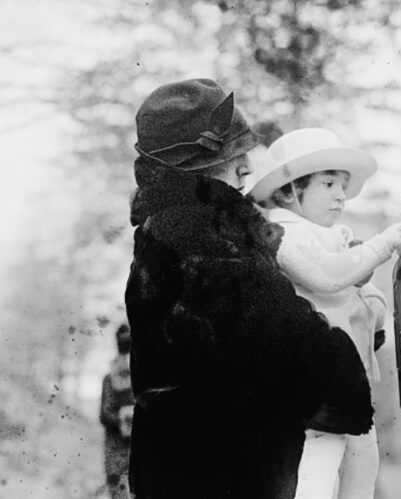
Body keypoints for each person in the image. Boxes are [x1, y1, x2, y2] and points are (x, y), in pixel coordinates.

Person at [125, 79, 375, 499]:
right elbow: (298, 352)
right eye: (231, 157)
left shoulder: (161, 235)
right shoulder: (207, 238)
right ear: (195, 170)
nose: (245, 169)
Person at [248, 128, 401, 499]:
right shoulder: (283, 234)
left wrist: (373, 303)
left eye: (343, 184)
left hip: (348, 383)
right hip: (310, 389)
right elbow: (327, 276)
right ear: (290, 190)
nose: (341, 194)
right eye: (328, 183)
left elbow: (365, 292)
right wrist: (383, 244)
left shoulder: (335, 237)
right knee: (314, 478)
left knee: (361, 473)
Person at [99, 324, 135, 499]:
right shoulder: (110, 378)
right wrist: (125, 419)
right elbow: (105, 413)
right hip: (117, 448)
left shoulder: (142, 377)